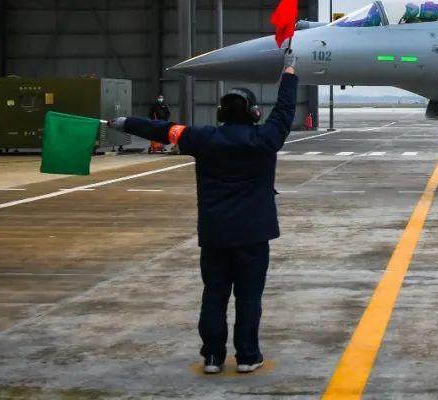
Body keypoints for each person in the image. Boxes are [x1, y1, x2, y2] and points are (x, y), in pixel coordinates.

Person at [109, 51, 298, 374]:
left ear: (221, 113)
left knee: (214, 294)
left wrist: (124, 122)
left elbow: (162, 129)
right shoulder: (266, 138)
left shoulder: (202, 139)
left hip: (214, 234)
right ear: (254, 113)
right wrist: (289, 74)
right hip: (253, 235)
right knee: (249, 299)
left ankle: (212, 356)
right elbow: (284, 111)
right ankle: (248, 356)